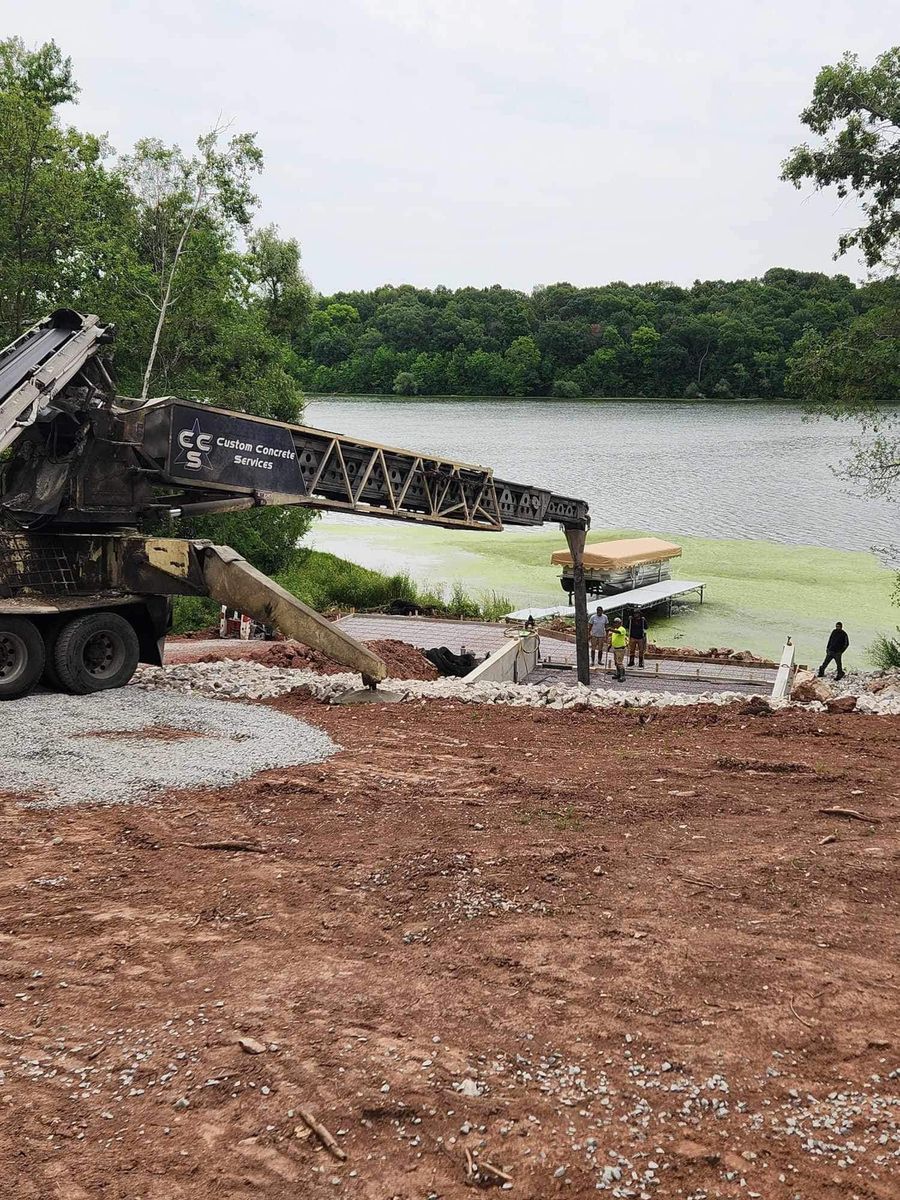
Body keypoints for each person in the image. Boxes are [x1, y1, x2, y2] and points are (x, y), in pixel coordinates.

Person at [609, 615, 628, 682]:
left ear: (620, 623)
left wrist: (611, 630)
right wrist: (610, 645)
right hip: (615, 648)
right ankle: (618, 674)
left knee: (619, 662)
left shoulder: (621, 629)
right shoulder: (615, 630)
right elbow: (614, 638)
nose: (615, 624)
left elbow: (619, 632)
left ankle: (623, 676)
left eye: (616, 622)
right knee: (616, 662)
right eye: (614, 622)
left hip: (620, 649)